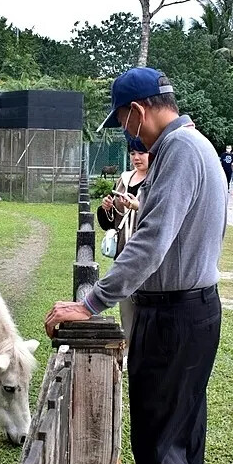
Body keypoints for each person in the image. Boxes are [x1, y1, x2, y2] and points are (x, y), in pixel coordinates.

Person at [45, 67, 227, 464]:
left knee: (158, 452)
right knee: (181, 442)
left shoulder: (180, 150)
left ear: (139, 111)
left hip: (174, 318)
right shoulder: (194, 145)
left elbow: (150, 242)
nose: (127, 131)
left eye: (124, 120)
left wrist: (90, 303)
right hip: (192, 311)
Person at [97, 133, 150, 342]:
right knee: (126, 305)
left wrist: (138, 206)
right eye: (133, 153)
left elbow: (162, 215)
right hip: (124, 253)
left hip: (147, 252)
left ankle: (147, 348)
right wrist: (107, 208)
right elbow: (111, 222)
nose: (137, 157)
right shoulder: (125, 178)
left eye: (142, 152)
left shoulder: (158, 178)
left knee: (147, 306)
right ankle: (129, 349)